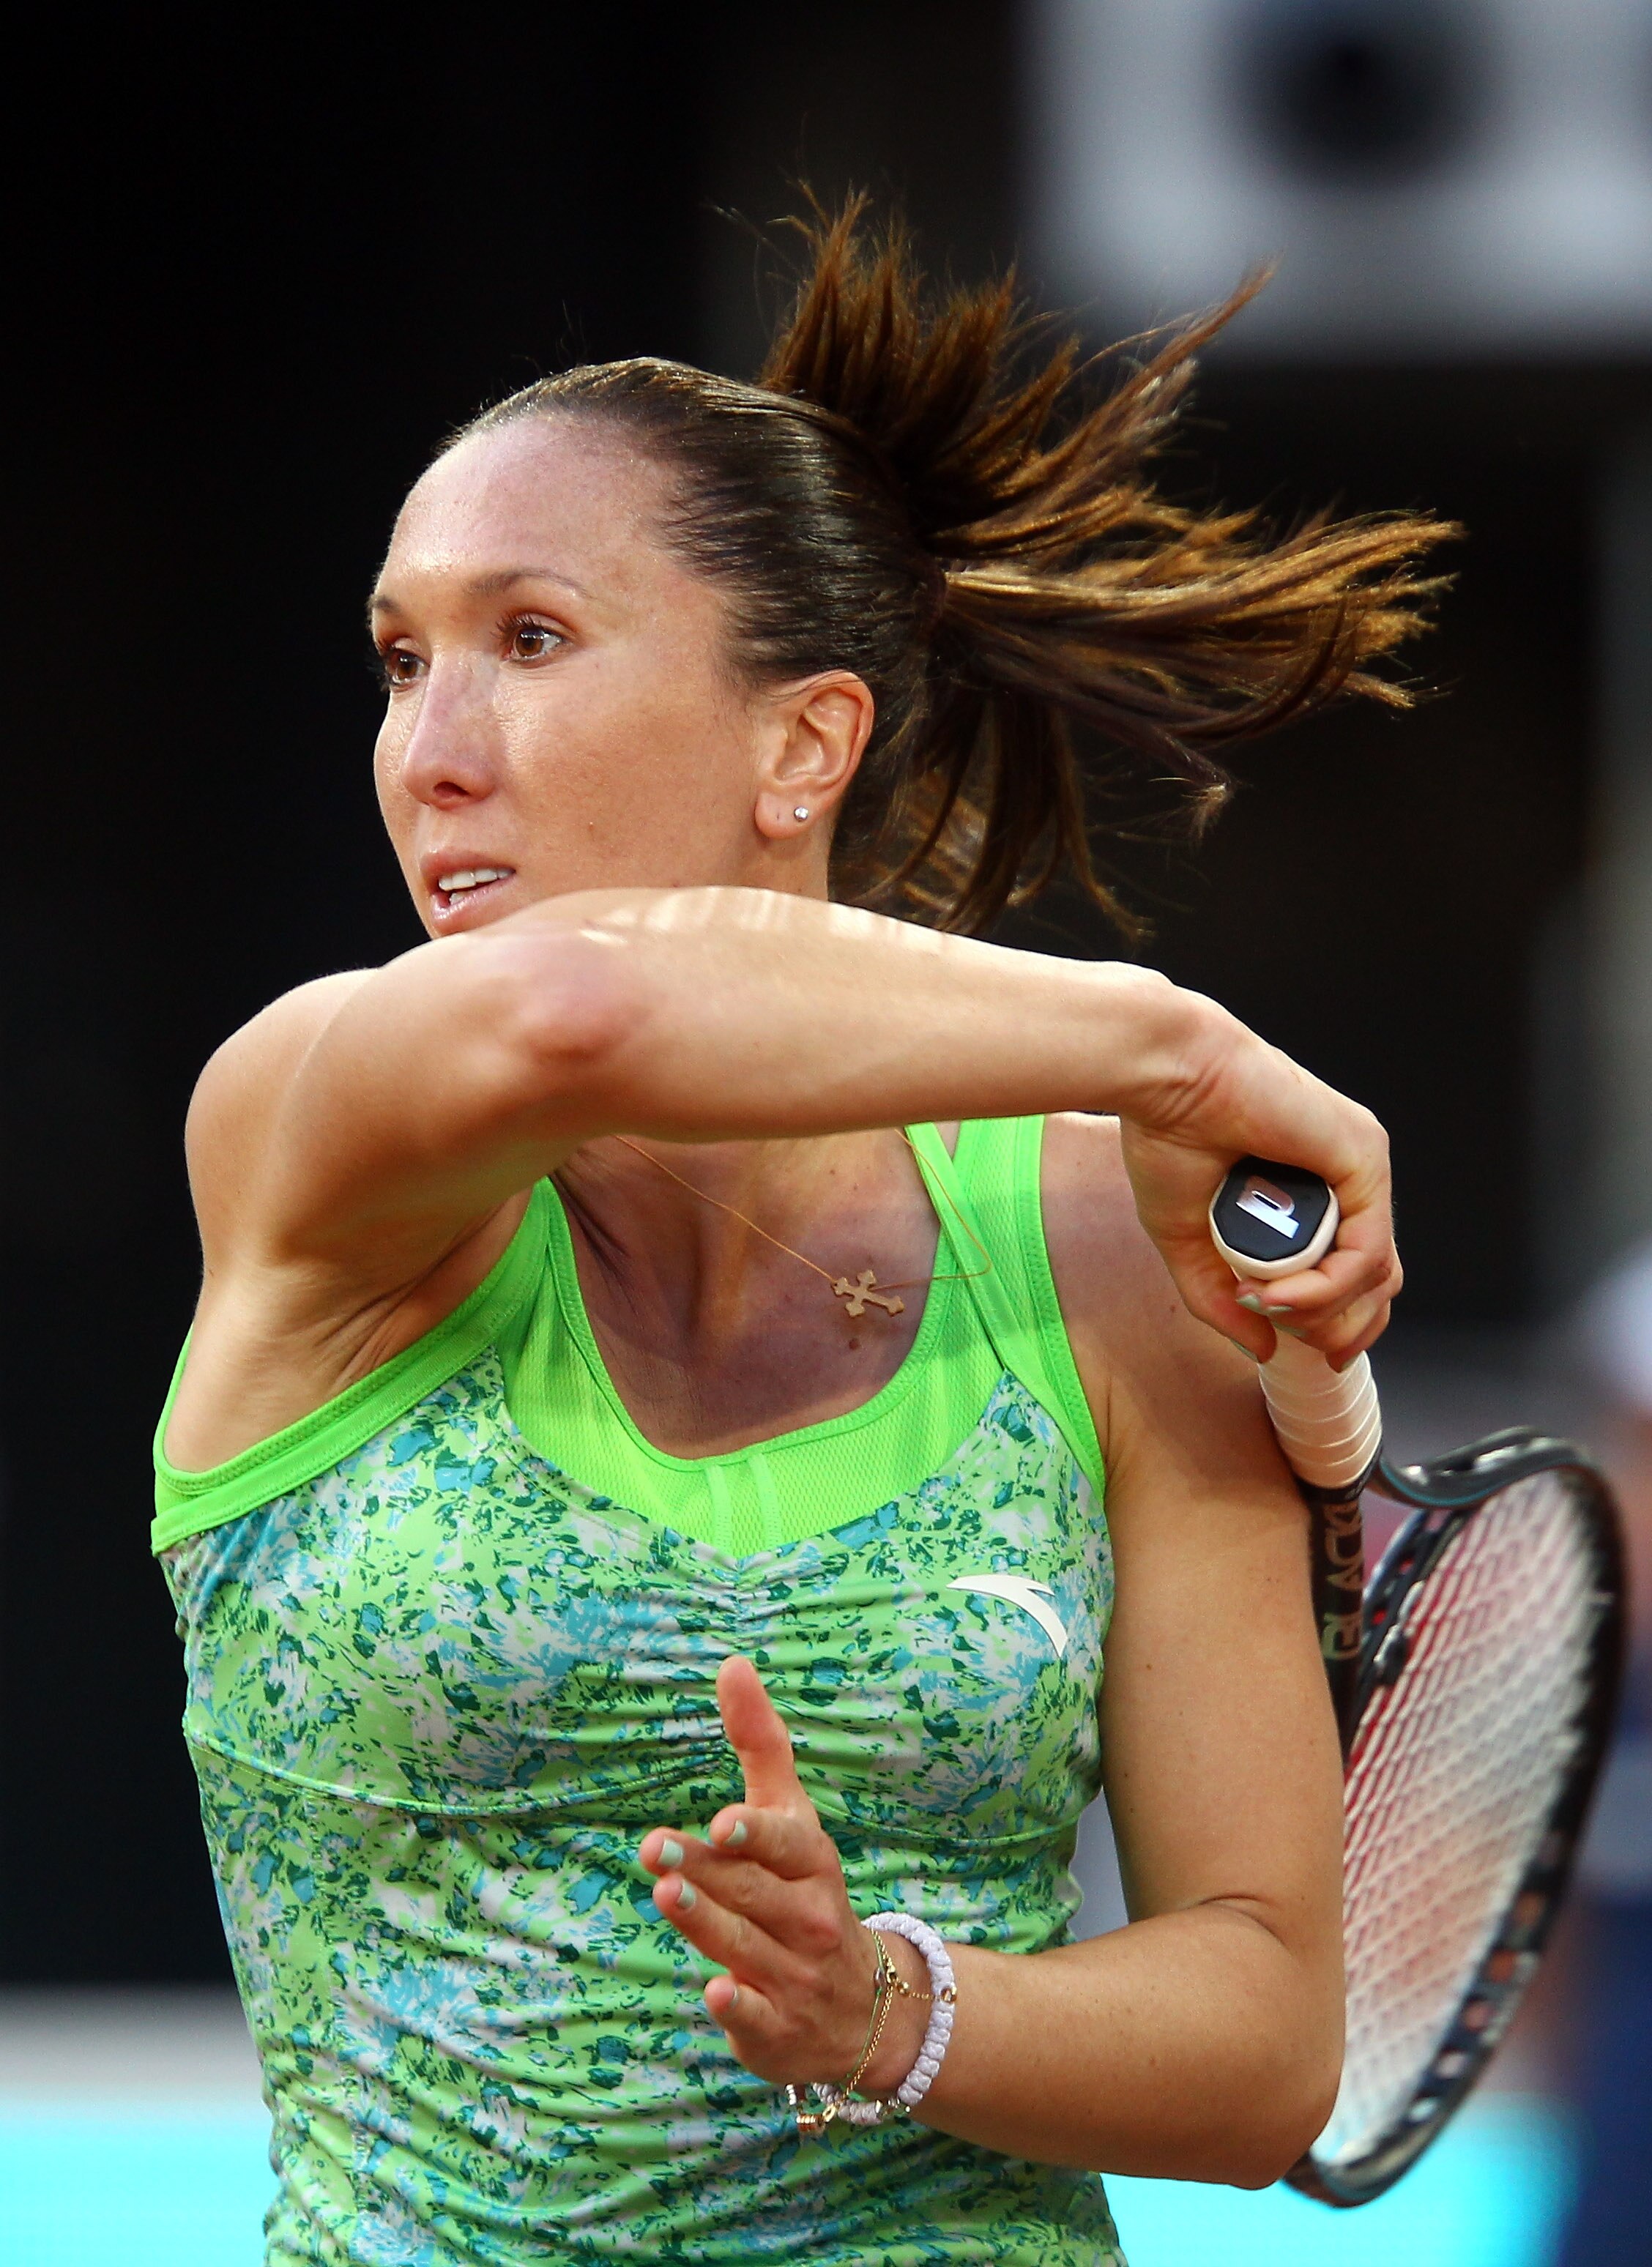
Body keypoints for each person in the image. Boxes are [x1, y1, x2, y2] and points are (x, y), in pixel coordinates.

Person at [152, 203, 1445, 2264]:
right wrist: (1185, 1052)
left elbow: (1269, 2033)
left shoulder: (1103, 1240)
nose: (433, 749)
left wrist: (894, 2013)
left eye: (533, 641)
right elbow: (577, 1013)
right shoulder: (319, 1128)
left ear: (806, 744)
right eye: (402, 660)